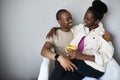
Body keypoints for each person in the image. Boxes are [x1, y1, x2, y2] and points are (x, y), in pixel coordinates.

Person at [41, 1, 113, 80]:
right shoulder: (80, 28)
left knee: (61, 60)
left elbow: (105, 57)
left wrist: (80, 56)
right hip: (81, 65)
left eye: (88, 19)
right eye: (84, 17)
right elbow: (66, 27)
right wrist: (54, 29)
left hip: (95, 68)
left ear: (96, 21)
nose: (85, 20)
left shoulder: (103, 35)